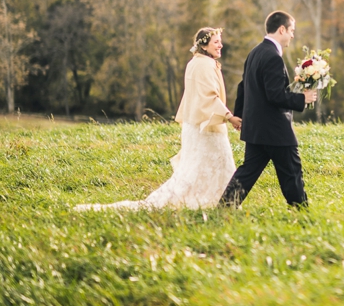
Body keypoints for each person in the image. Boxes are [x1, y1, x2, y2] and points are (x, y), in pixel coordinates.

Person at [75, 27, 241, 211]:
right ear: (205, 44)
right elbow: (208, 97)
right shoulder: (204, 65)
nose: (221, 45)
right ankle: (223, 204)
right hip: (207, 129)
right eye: (216, 42)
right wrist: (229, 117)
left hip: (195, 127)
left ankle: (218, 202)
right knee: (221, 164)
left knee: (196, 167)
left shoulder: (194, 62)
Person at [219, 11, 316, 208]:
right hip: (274, 129)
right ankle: (302, 211)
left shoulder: (255, 52)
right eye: (291, 31)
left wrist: (240, 115)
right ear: (282, 29)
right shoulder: (273, 57)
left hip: (256, 128)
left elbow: (242, 86)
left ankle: (224, 206)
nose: (292, 35)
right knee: (291, 172)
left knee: (248, 171)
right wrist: (302, 99)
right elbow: (275, 96)